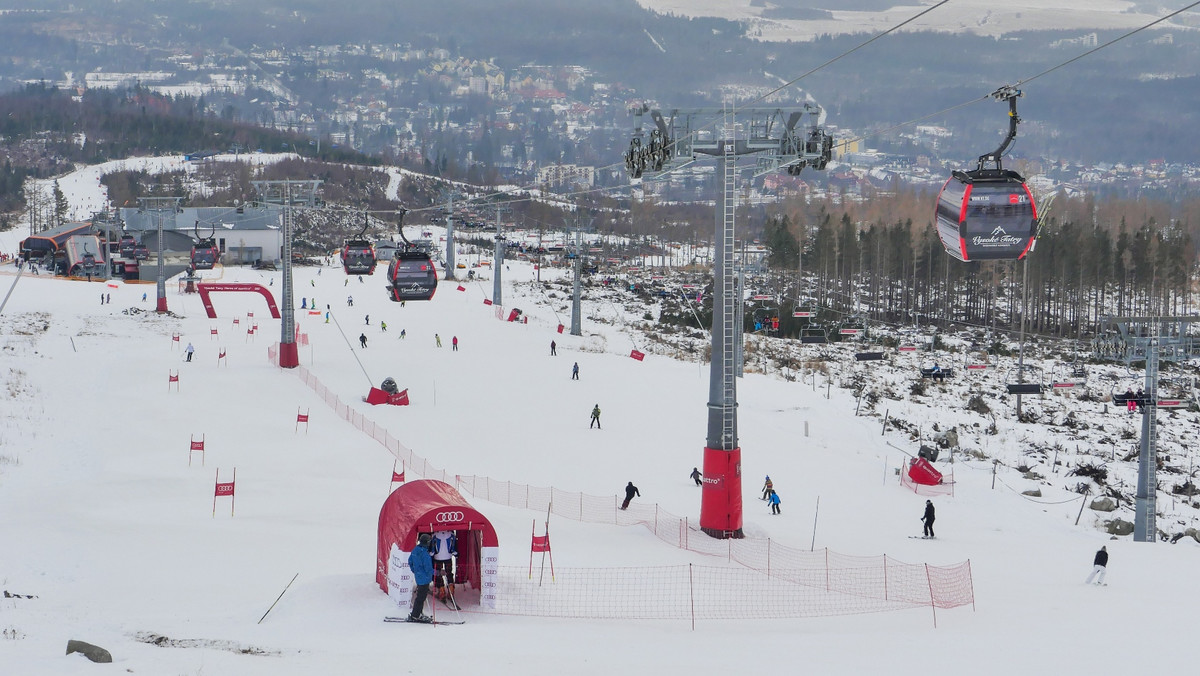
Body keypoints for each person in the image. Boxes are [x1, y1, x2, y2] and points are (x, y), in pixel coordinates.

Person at [407, 533, 435, 622]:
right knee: (421, 597)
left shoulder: (415, 550)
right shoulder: (425, 554)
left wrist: (415, 570)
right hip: (425, 578)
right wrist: (437, 572)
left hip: (419, 577)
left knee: (421, 596)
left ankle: (418, 612)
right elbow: (428, 568)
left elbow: (410, 561)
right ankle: (415, 615)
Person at [431, 530, 457, 602]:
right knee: (449, 573)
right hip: (448, 556)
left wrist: (432, 553)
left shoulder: (435, 534)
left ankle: (442, 592)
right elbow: (454, 545)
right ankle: (451, 592)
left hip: (437, 557)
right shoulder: (451, 534)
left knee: (438, 574)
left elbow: (432, 547)